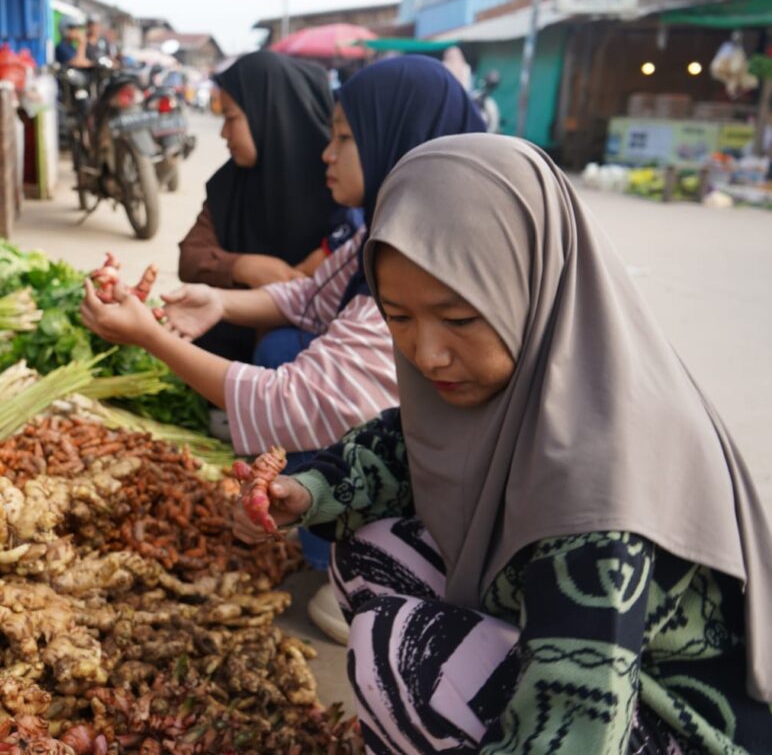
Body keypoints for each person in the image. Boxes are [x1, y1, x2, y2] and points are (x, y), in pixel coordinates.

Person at [236, 133, 772, 753]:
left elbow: (579, 725)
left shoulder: (598, 481)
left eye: (460, 318)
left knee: (398, 651)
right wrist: (305, 493)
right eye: (399, 318)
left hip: (673, 722)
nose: (427, 353)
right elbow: (404, 444)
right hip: (596, 656)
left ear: (530, 283)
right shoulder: (532, 375)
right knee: (373, 550)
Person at [82, 56, 484, 457]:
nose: (328, 154)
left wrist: (149, 338)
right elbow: (311, 293)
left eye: (345, 138)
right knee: (277, 350)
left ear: (393, 137)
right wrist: (221, 299)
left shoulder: (416, 261)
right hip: (319, 382)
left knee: (308, 459)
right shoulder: (377, 230)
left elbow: (291, 402)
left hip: (428, 459)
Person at [173, 51, 343, 362]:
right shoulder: (229, 184)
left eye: (231, 118)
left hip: (315, 352)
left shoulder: (338, 181)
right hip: (234, 342)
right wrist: (243, 267)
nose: (224, 133)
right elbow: (190, 256)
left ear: (271, 113)